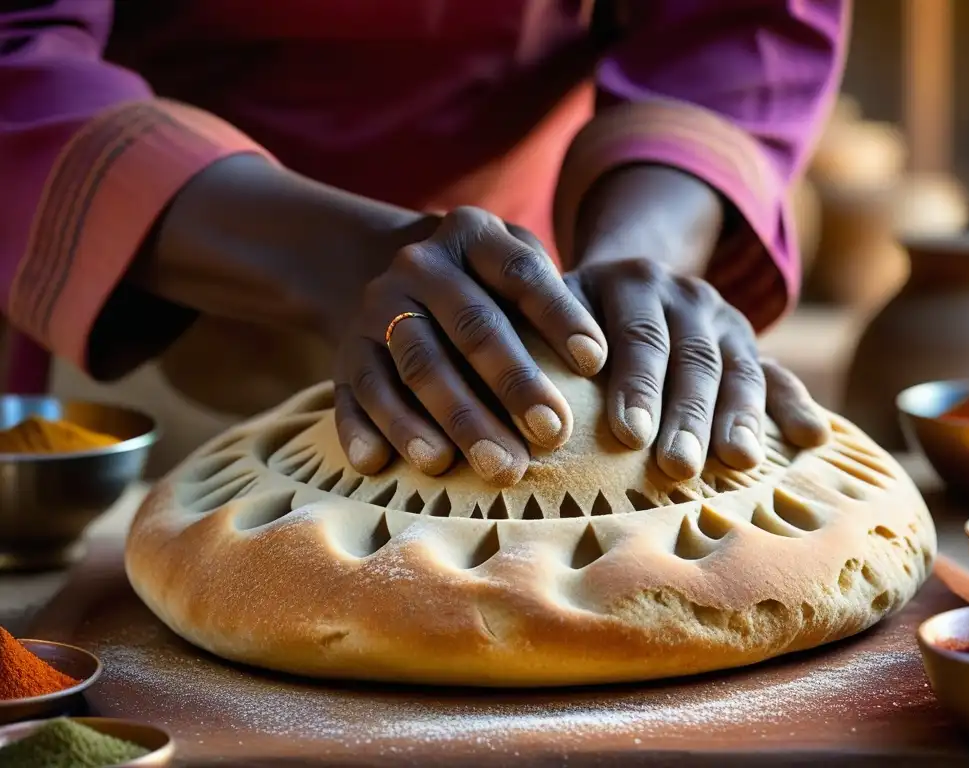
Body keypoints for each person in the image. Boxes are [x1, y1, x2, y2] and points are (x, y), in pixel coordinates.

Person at [0, 1, 847, 488]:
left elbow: (736, 25)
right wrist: (358, 258)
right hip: (156, 272)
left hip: (525, 307)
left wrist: (643, 250)